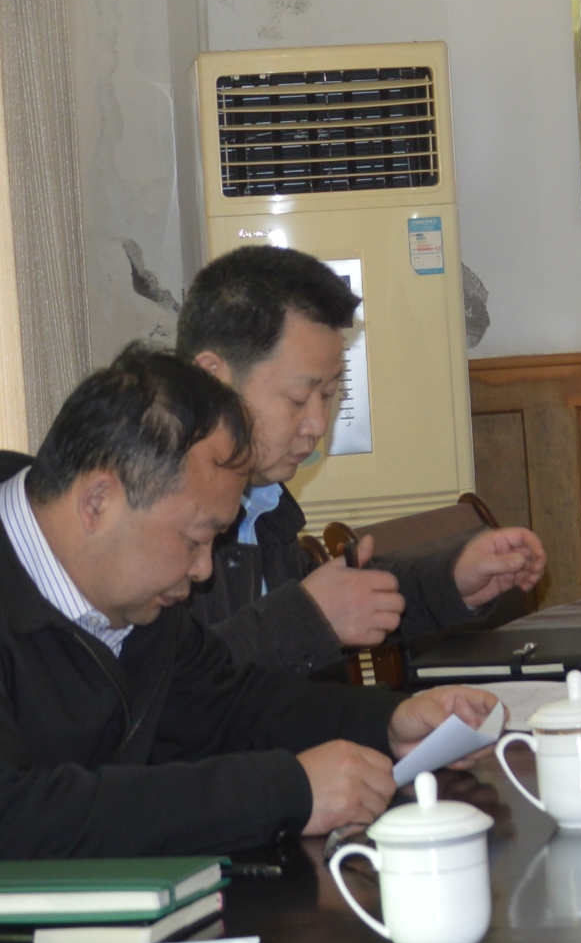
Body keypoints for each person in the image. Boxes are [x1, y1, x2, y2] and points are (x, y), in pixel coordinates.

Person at [0, 346, 498, 918]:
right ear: (99, 500)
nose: (203, 570)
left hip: (61, 939)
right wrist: (282, 790)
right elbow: (3, 822)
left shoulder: (130, 594)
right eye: (194, 538)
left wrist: (388, 724)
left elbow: (225, 705)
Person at [176, 245, 546, 681]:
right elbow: (172, 691)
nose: (318, 424)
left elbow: (346, 602)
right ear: (213, 377)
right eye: (298, 398)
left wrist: (455, 578)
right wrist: (308, 619)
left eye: (329, 396)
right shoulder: (153, 520)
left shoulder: (261, 503)